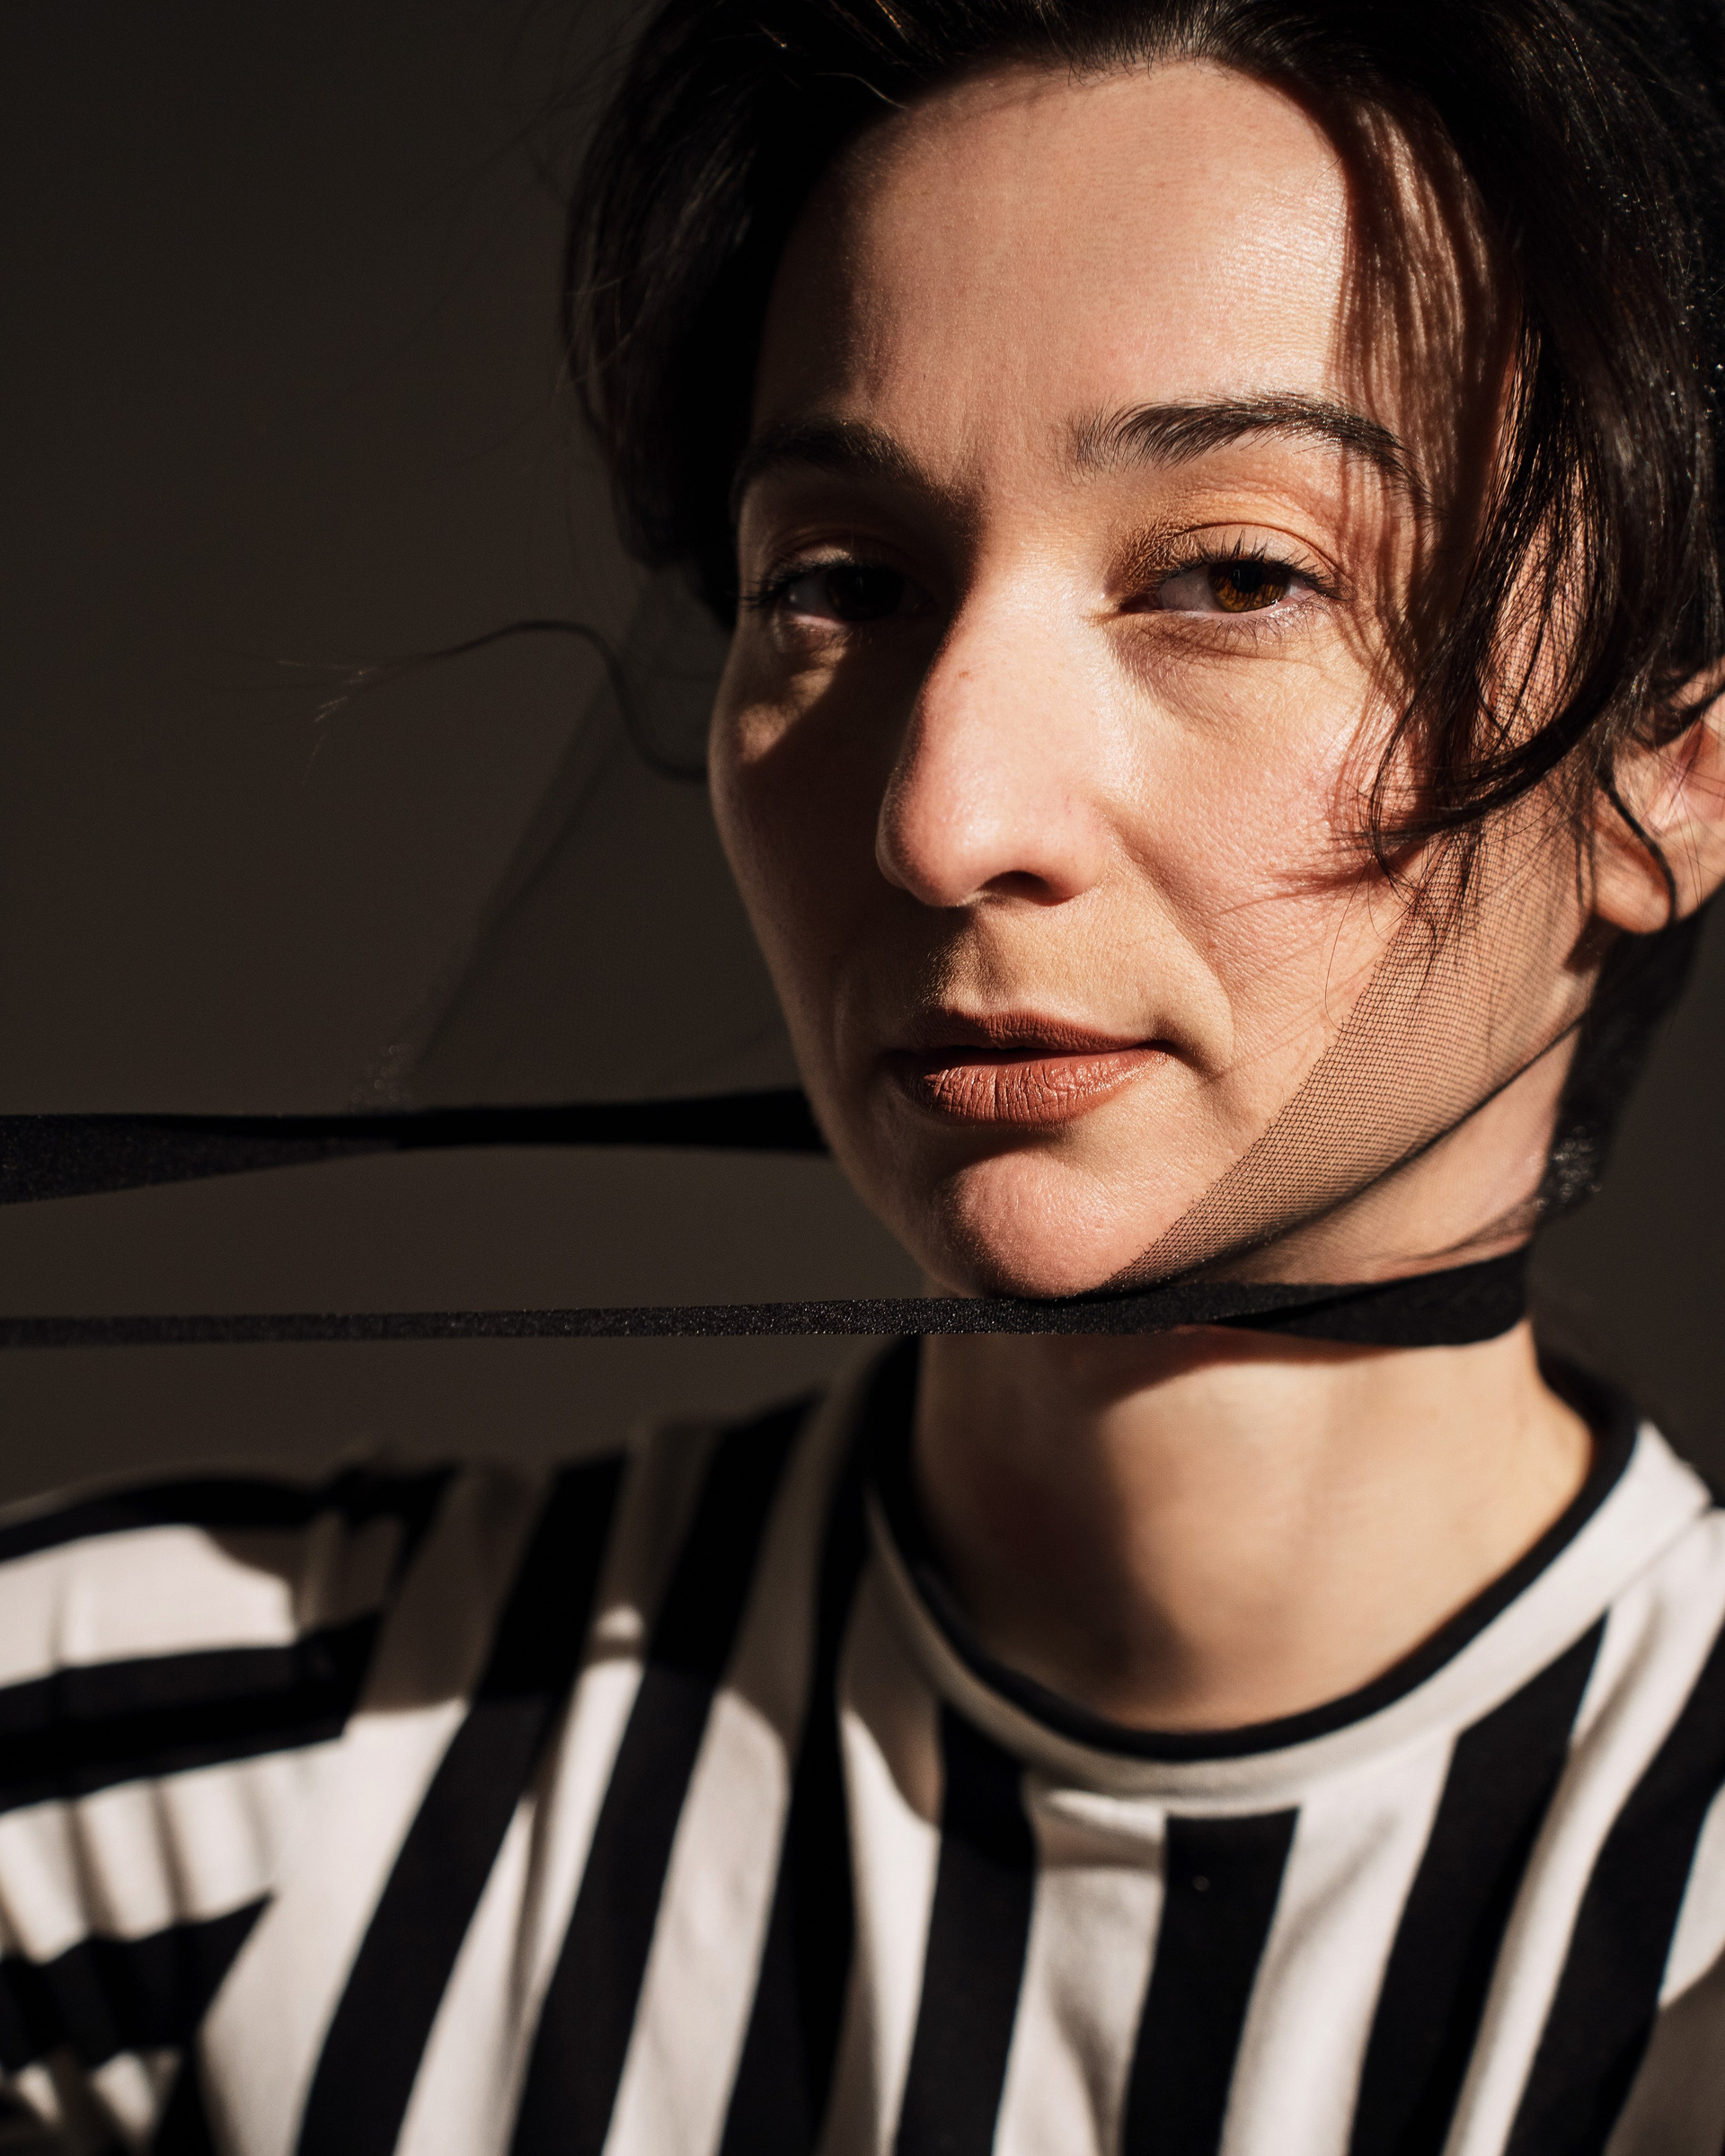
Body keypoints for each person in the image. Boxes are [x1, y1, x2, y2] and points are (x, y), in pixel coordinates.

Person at [4, 1, 1725, 2150]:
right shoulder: (175, 1777)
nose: (941, 814)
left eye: (1235, 574)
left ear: (1673, 777)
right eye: (842, 583)